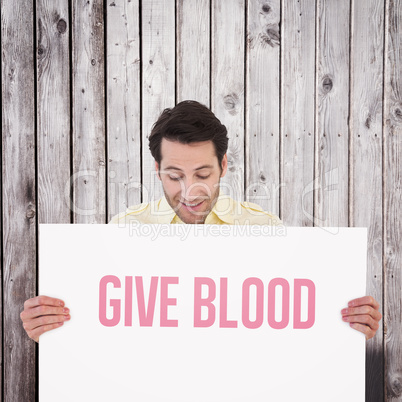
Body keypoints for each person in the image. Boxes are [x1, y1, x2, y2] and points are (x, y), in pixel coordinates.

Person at [20, 100, 382, 342]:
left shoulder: (264, 231)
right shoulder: (122, 233)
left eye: (203, 174)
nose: (190, 191)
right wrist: (48, 330)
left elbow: (294, 327)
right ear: (158, 170)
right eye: (175, 175)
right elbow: (94, 328)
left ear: (223, 167)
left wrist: (345, 330)